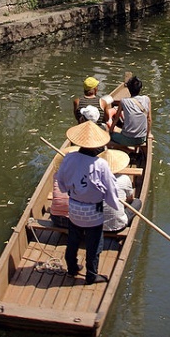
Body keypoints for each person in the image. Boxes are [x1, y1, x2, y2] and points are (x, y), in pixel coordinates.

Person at [55, 121, 122, 284]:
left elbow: (60, 180)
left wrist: (70, 190)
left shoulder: (69, 158)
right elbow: (111, 191)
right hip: (93, 212)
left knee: (73, 239)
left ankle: (71, 268)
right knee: (94, 244)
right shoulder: (101, 164)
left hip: (75, 208)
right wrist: (114, 203)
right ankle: (91, 275)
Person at [99, 149, 141, 232]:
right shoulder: (124, 178)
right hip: (118, 226)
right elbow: (130, 199)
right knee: (137, 202)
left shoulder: (93, 179)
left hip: (94, 226)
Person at [110, 76, 151, 151]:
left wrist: (110, 131)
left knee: (111, 136)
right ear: (140, 88)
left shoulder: (123, 101)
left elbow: (116, 119)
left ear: (128, 89)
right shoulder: (147, 99)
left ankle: (127, 149)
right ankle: (133, 150)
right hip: (141, 139)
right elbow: (149, 120)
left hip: (127, 139)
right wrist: (147, 137)